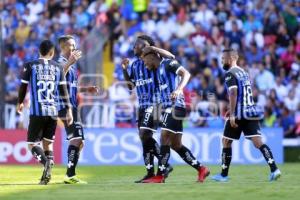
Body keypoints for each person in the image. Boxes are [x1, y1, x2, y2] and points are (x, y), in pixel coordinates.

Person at [140, 50, 210, 183]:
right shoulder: (159, 69)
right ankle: (201, 169)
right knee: (176, 145)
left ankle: (160, 175)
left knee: (164, 136)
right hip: (169, 107)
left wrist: (178, 89)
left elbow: (186, 74)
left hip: (176, 106)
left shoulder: (168, 63)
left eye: (145, 61)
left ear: (152, 56)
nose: (144, 64)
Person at [211, 48, 281, 182]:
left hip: (238, 113)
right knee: (258, 143)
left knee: (226, 141)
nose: (222, 61)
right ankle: (274, 169)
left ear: (231, 59)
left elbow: (233, 93)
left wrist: (231, 114)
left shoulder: (230, 73)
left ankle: (224, 175)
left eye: (223, 59)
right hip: (251, 111)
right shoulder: (243, 72)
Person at [17, 40, 73, 185]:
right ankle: (46, 174)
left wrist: (20, 102)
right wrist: (68, 109)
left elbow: (23, 87)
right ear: (52, 52)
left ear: (39, 51)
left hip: (37, 111)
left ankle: (46, 163)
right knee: (48, 144)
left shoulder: (30, 65)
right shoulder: (58, 67)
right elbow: (63, 90)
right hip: (53, 112)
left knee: (31, 144)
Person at [121, 35, 175, 183]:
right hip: (142, 105)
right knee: (145, 139)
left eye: (138, 45)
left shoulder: (155, 58)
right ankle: (150, 173)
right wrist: (125, 70)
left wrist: (152, 48)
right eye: (134, 45)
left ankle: (165, 164)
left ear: (146, 46)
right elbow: (131, 87)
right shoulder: (134, 65)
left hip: (156, 103)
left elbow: (172, 56)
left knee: (144, 134)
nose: (134, 47)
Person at [57, 35, 99, 184]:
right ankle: (70, 175)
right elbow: (58, 77)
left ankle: (70, 173)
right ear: (62, 47)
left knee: (80, 142)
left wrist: (86, 89)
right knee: (77, 139)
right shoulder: (59, 63)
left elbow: (72, 87)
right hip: (64, 106)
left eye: (74, 45)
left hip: (73, 106)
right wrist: (69, 62)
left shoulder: (72, 67)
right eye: (70, 45)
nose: (74, 48)